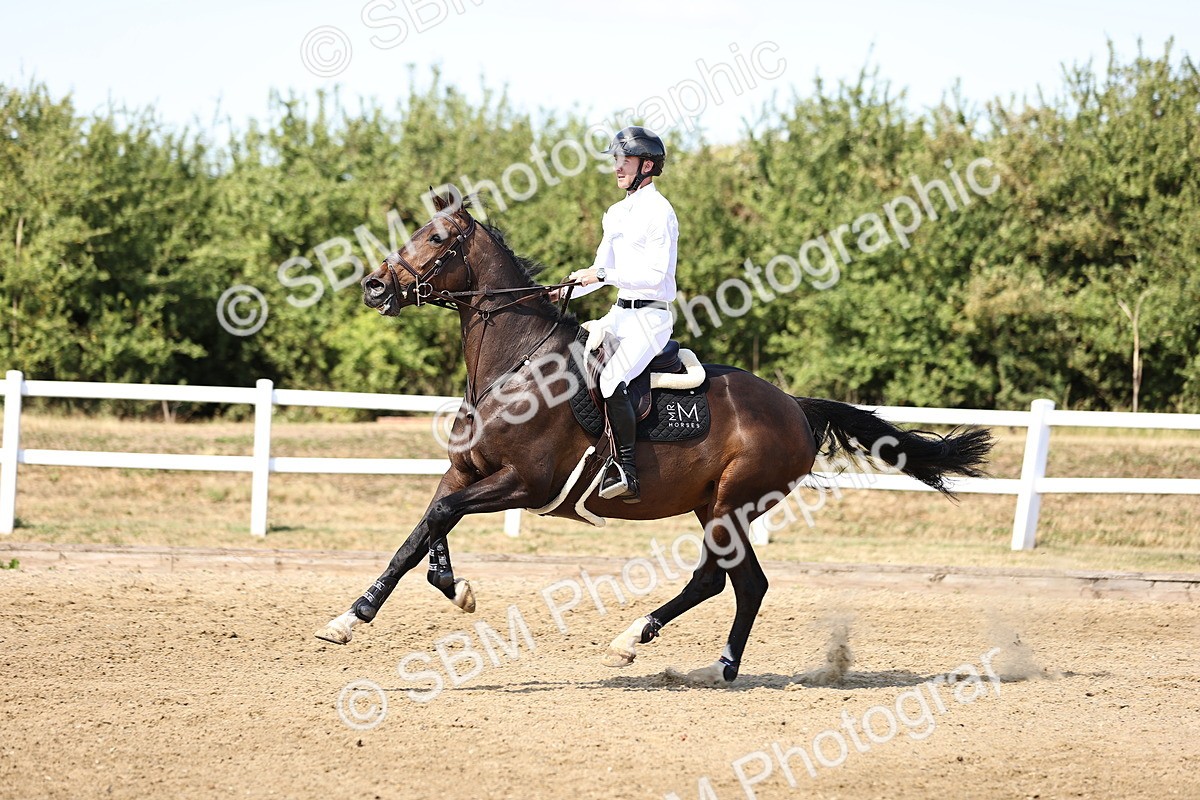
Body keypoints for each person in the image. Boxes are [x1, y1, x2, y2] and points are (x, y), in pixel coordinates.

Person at [554, 126, 679, 503]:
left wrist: (604, 275)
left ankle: (626, 468)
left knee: (610, 380)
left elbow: (656, 277)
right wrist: (567, 288)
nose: (617, 168)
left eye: (623, 161)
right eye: (615, 160)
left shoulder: (660, 212)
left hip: (651, 319)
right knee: (568, 362)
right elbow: (599, 269)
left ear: (647, 166)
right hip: (619, 315)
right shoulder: (616, 212)